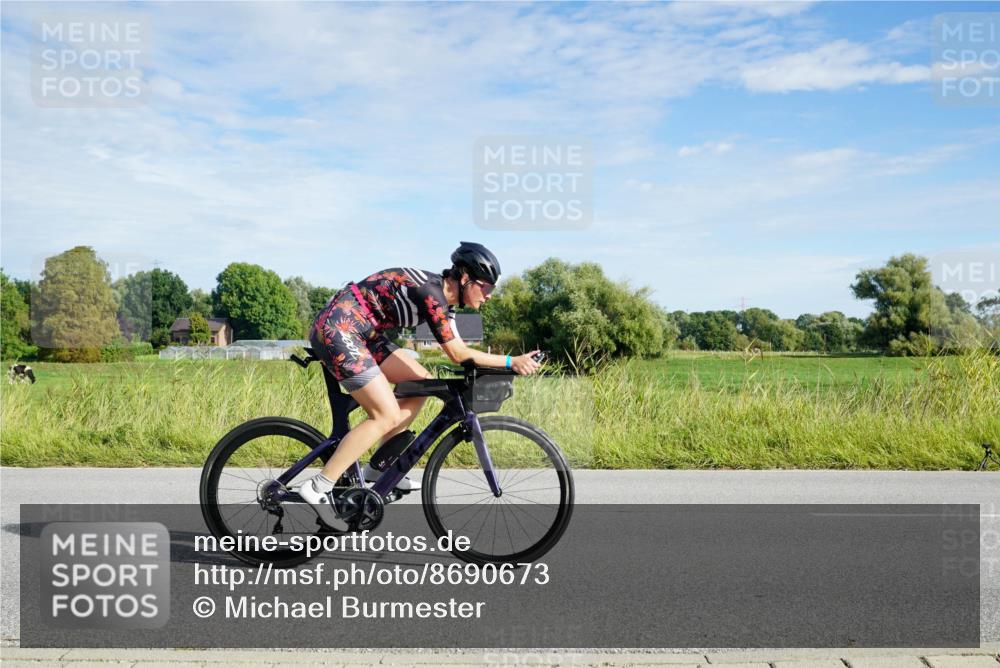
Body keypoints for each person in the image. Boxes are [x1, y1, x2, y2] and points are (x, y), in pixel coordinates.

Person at [298, 242, 541, 530]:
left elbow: (460, 348)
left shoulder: (446, 304)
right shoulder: (432, 293)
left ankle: (378, 469)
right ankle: (318, 486)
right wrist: (511, 361)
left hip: (364, 332)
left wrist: (500, 365)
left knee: (421, 383)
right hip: (340, 328)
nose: (488, 296)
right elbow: (459, 354)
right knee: (385, 414)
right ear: (465, 279)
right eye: (486, 287)